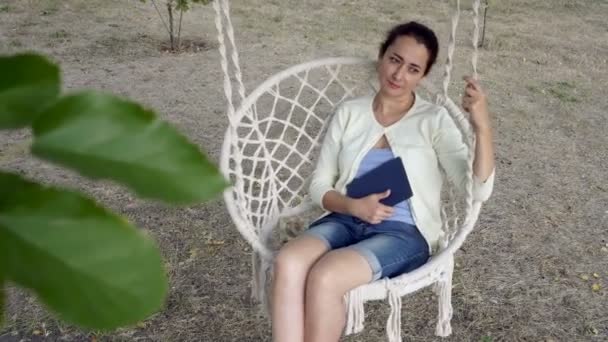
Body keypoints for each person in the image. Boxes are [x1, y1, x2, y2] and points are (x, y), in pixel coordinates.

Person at [271, 21, 495, 342]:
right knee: (288, 261)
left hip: (402, 233)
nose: (399, 75)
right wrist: (352, 205)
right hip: (345, 218)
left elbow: (478, 189)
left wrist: (482, 127)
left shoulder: (433, 120)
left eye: (413, 69)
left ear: (423, 76)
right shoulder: (349, 113)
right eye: (395, 60)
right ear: (382, 55)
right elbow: (319, 185)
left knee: (326, 276)